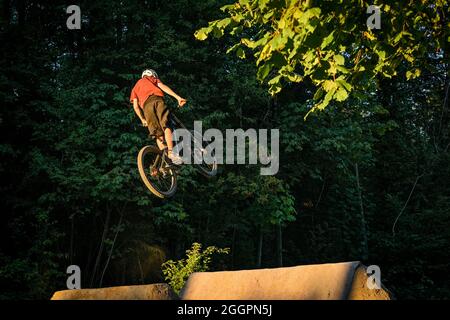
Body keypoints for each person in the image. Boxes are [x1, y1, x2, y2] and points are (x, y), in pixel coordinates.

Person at [130, 69, 186, 164]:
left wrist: (143, 119)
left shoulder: (135, 88)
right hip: (157, 101)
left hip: (146, 108)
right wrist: (178, 97)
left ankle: (166, 161)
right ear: (152, 75)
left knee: (156, 133)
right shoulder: (151, 78)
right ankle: (171, 153)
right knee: (166, 124)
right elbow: (162, 86)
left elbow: (135, 106)